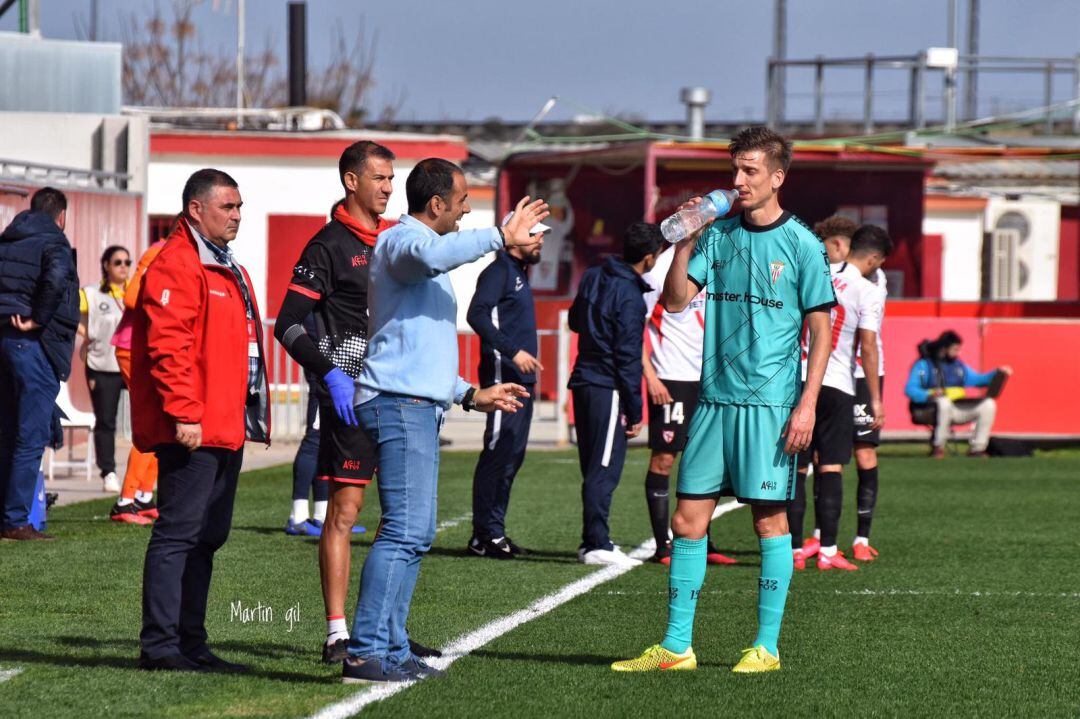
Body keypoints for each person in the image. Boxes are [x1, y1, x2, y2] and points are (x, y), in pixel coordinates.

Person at [612, 126, 835, 675]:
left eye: (750, 171)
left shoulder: (802, 244)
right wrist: (687, 234)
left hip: (771, 407)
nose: (738, 181)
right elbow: (676, 302)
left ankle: (765, 647)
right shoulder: (719, 235)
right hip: (714, 402)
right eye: (735, 169)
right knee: (688, 523)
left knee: (768, 523)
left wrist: (807, 404)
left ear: (777, 176)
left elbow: (822, 327)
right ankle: (676, 646)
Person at [342, 158, 546, 684]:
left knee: (416, 532)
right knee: (405, 531)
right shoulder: (402, 243)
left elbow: (417, 352)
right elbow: (433, 257)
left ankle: (388, 647)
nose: (466, 210)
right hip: (398, 405)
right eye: (460, 202)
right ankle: (366, 652)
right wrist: (501, 235)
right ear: (435, 205)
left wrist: (471, 394)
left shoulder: (417, 254)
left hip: (412, 402)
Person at [132, 168, 270, 672]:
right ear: (196, 209)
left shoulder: (221, 262)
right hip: (194, 428)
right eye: (227, 207)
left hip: (223, 426)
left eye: (239, 207)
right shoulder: (178, 262)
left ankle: (191, 642)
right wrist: (186, 414)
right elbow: (170, 346)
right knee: (178, 534)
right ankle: (161, 647)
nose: (237, 216)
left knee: (208, 536)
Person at [273, 141, 403, 663]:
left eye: (393, 179)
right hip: (350, 398)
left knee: (401, 519)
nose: (389, 188)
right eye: (380, 178)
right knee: (345, 513)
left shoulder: (396, 241)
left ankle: (387, 631)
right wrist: (331, 373)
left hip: (398, 397)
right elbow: (287, 325)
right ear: (352, 181)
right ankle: (336, 632)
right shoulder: (326, 246)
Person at [789, 224, 889, 573]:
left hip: (798, 378)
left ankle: (794, 550)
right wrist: (875, 398)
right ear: (874, 258)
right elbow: (869, 346)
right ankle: (828, 549)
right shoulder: (868, 289)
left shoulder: (817, 270)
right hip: (836, 383)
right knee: (830, 466)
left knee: (797, 468)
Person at [568, 222, 664, 568]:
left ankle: (591, 540)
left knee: (593, 466)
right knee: (603, 469)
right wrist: (636, 410)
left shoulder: (594, 275)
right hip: (606, 384)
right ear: (649, 258)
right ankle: (596, 542)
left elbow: (575, 321)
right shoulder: (631, 296)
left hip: (582, 380)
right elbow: (627, 356)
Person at [641, 245, 736, 566]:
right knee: (664, 459)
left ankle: (703, 540)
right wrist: (651, 377)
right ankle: (661, 546)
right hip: (671, 377)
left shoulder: (719, 261)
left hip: (710, 379)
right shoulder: (660, 269)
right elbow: (636, 327)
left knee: (706, 461)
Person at [465, 211, 549, 559]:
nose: (540, 239)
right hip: (503, 380)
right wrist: (513, 352)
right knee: (498, 454)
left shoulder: (517, 272)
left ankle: (493, 531)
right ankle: (484, 535)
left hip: (519, 382)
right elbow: (476, 315)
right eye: (534, 233)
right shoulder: (498, 271)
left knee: (511, 457)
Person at [0, 187, 79, 541]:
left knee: (6, 431)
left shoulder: (8, 239)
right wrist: (38, 318)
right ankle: (16, 520)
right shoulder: (54, 241)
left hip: (3, 337)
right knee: (29, 436)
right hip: (31, 342)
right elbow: (57, 277)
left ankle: (8, 513)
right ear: (61, 215)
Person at [108, 235, 169, 525]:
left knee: (163, 421)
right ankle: (126, 501)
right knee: (152, 422)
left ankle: (143, 496)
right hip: (135, 347)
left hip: (147, 347)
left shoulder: (172, 252)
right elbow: (133, 297)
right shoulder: (159, 252)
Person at [904, 330, 1011, 458]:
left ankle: (977, 448)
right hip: (930, 409)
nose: (959, 353)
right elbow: (910, 389)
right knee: (943, 402)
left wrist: (997, 373)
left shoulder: (958, 366)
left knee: (988, 404)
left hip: (955, 408)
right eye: (955, 349)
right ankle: (938, 447)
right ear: (944, 348)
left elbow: (977, 380)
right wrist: (930, 394)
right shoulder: (923, 365)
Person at [79, 245, 131, 493]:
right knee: (106, 420)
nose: (123, 267)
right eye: (118, 262)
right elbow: (70, 316)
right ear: (106, 265)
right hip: (102, 365)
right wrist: (87, 337)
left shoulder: (135, 292)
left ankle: (144, 472)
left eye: (127, 262)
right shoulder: (92, 293)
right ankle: (108, 472)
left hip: (131, 364)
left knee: (146, 416)